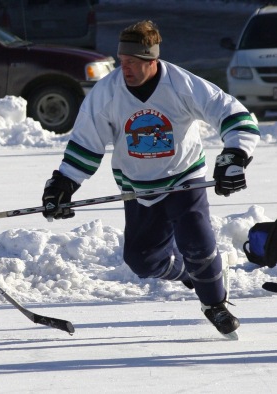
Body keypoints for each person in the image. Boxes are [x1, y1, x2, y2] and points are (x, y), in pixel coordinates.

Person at [41, 20, 260, 338]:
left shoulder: (181, 84)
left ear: (152, 61)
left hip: (184, 178)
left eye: (132, 62)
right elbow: (86, 145)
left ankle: (215, 304)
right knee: (142, 261)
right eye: (121, 61)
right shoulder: (107, 92)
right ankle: (189, 274)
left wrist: (235, 155)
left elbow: (232, 113)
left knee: (197, 244)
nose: (124, 68)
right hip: (138, 188)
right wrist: (63, 184)